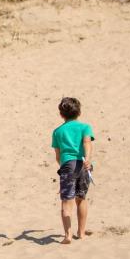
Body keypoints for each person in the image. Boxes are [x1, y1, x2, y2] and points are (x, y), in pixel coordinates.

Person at [51, 97, 95, 245]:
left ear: (61, 114)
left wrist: (64, 166)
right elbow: (87, 142)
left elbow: (58, 155)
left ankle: (68, 235)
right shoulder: (85, 127)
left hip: (67, 165)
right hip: (83, 163)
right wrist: (87, 159)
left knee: (66, 201)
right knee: (81, 198)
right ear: (79, 112)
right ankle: (81, 233)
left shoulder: (57, 132)